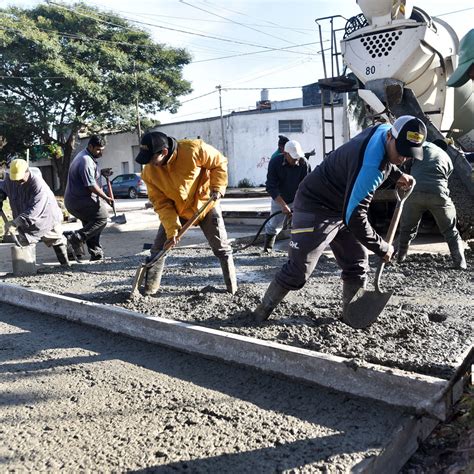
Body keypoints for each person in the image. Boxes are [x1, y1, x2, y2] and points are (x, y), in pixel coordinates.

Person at [251, 115, 426, 324]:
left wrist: (397, 174)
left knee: (357, 264)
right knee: (298, 271)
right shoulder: (371, 167)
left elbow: (352, 212)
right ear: (390, 136)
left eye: (409, 154)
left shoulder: (384, 128)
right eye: (401, 152)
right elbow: (355, 218)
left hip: (342, 204)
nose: (404, 159)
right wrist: (382, 247)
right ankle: (259, 314)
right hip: (315, 204)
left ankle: (351, 318)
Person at [135, 130, 237, 296]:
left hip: (206, 204)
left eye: (152, 159)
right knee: (159, 248)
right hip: (178, 209)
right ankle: (149, 290)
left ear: (164, 152)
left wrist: (217, 187)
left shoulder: (193, 149)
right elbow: (161, 203)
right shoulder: (149, 172)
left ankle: (232, 288)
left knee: (222, 248)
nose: (149, 164)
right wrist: (172, 229)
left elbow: (219, 163)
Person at [397, 139, 467, 269]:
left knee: (407, 229)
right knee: (450, 230)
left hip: (415, 191)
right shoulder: (447, 158)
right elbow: (446, 178)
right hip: (438, 193)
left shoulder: (423, 146)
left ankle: (398, 257)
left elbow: (406, 163)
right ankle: (460, 262)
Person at [0, 159, 70, 266]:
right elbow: (3, 188)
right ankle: (27, 269)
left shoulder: (38, 185)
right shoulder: (11, 179)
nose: (17, 181)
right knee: (25, 245)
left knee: (55, 238)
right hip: (23, 219)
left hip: (46, 218)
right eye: (15, 179)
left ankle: (65, 264)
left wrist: (15, 223)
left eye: (20, 178)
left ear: (27, 171)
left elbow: (35, 210)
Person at [64, 135, 113, 262]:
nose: (101, 152)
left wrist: (101, 173)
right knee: (102, 217)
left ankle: (95, 253)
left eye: (102, 149)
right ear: (90, 146)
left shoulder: (86, 156)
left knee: (92, 224)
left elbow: (90, 177)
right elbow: (90, 185)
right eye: (98, 149)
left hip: (77, 200)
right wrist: (106, 197)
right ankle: (75, 237)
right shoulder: (85, 160)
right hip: (79, 200)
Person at [263, 139, 311, 251]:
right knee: (274, 225)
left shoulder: (304, 164)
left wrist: (301, 203)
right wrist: (283, 205)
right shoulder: (275, 163)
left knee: (298, 225)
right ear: (285, 154)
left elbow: (307, 186)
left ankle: (297, 251)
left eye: (298, 156)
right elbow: (271, 186)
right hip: (279, 197)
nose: (296, 159)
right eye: (293, 157)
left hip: (297, 198)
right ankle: (267, 248)